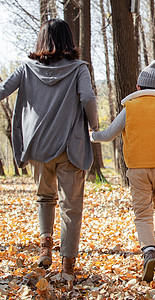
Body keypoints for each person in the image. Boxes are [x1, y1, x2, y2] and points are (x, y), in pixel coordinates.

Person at [0, 19, 99, 281]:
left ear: (41, 41)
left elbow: (2, 90)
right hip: (70, 146)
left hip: (38, 145)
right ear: (69, 40)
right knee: (71, 206)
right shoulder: (79, 69)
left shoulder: (26, 68)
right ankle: (67, 266)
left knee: (44, 197)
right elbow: (87, 97)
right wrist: (95, 124)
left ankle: (45, 248)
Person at [91, 60, 155, 283]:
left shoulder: (130, 108)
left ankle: (149, 251)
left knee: (142, 212)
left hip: (137, 167)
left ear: (138, 88)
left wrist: (92, 135)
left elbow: (109, 134)